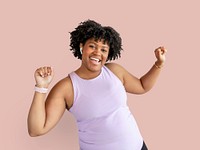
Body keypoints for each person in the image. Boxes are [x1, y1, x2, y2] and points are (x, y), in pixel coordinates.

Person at [27, 20, 167, 150]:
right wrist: (41, 87)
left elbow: (142, 86)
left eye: (103, 49)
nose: (97, 53)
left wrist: (158, 64)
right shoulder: (67, 87)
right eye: (92, 46)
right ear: (82, 46)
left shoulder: (114, 71)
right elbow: (36, 130)